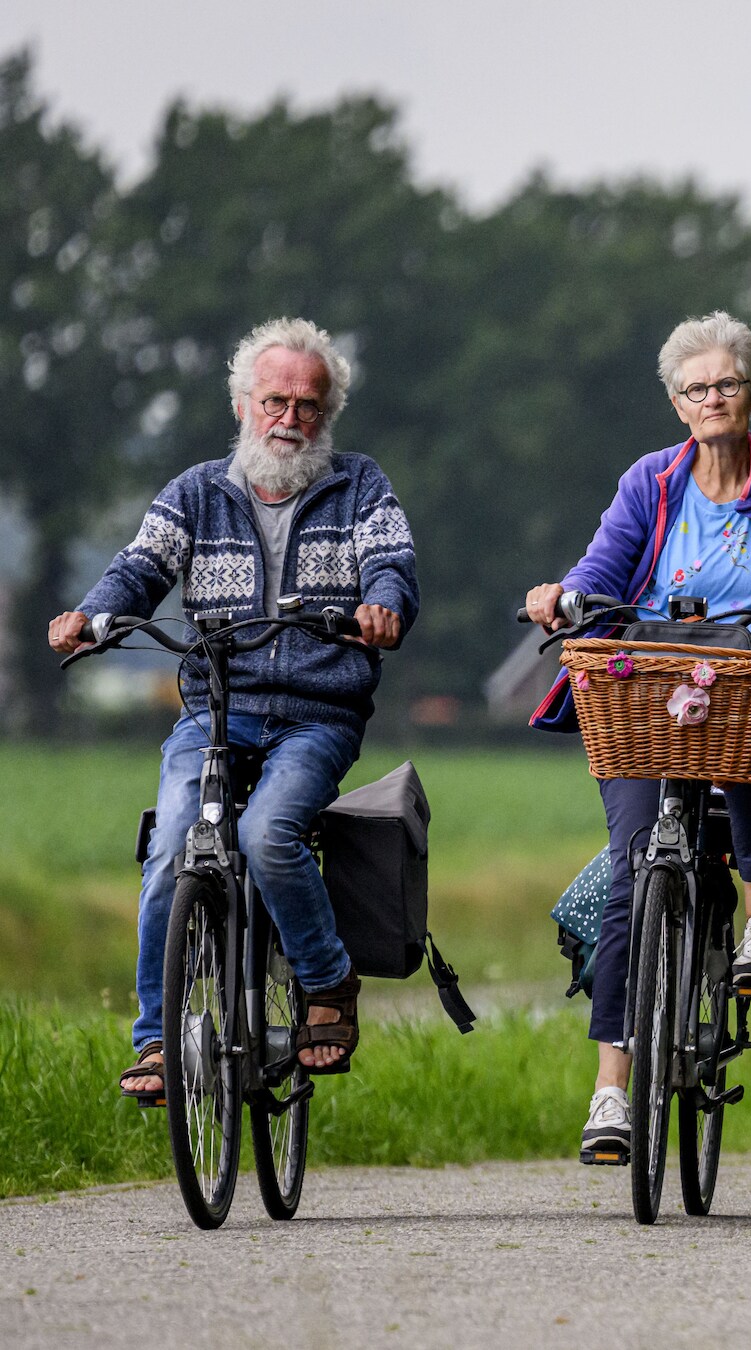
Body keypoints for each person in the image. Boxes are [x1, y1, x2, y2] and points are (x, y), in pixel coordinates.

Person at [48, 318, 418, 1100]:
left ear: (328, 414)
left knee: (268, 832)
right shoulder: (195, 492)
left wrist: (383, 604)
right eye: (276, 400)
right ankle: (156, 1044)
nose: (291, 418)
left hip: (318, 714)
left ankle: (326, 984)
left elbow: (392, 564)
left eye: (308, 405)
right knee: (171, 849)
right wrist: (90, 615)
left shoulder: (360, 486)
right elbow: (139, 567)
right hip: (216, 707)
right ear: (244, 404)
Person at [522, 310, 751, 1163]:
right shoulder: (651, 481)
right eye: (697, 388)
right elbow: (604, 568)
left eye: (729, 384)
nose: (714, 398)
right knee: (632, 873)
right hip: (648, 690)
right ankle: (611, 1091)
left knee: (748, 753)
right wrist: (564, 596)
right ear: (678, 404)